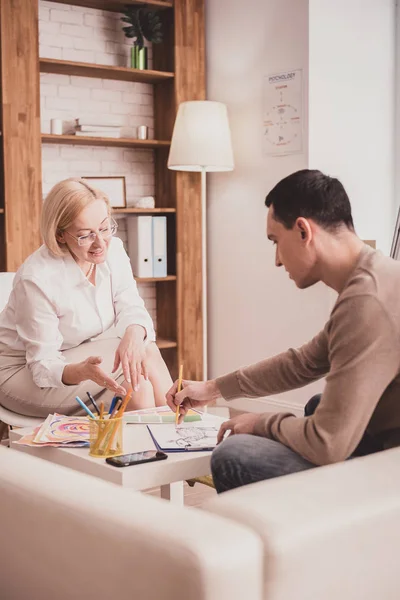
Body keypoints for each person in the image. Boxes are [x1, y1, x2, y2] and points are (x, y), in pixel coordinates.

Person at [166, 169, 400, 493]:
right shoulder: (375, 275)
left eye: (275, 241)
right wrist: (212, 388)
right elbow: (302, 363)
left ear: (303, 230)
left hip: (390, 472)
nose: (277, 260)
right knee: (317, 406)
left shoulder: (367, 301)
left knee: (234, 455)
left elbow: (327, 443)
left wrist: (260, 423)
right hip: (384, 444)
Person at [0, 178, 172, 417]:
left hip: (72, 354)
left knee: (142, 363)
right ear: (60, 235)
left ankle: (173, 439)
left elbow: (131, 305)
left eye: (104, 228)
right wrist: (81, 372)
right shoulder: (37, 279)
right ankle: (178, 434)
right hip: (22, 372)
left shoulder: (114, 250)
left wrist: (133, 333)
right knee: (139, 380)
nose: (100, 243)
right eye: (85, 235)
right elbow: (42, 367)